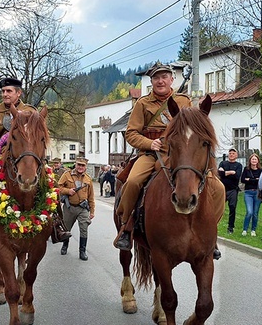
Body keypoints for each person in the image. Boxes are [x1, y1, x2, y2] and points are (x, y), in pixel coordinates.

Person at [0, 77, 70, 244]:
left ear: (18, 93)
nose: (5, 94)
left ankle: (57, 223)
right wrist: (2, 150)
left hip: (27, 156)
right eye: (3, 91)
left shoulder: (31, 112)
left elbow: (37, 136)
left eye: (9, 91)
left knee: (50, 183)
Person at [114, 62, 191, 250]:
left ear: (172, 79)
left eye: (164, 77)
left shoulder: (183, 101)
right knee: (132, 182)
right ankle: (126, 226)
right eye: (156, 78)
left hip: (178, 154)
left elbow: (192, 128)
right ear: (151, 81)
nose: (160, 81)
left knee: (211, 181)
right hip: (150, 154)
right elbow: (131, 133)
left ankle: (209, 231)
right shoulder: (142, 103)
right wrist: (150, 143)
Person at [58, 157, 95, 260]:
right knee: (66, 228)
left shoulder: (88, 179)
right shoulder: (67, 175)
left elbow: (91, 196)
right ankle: (65, 245)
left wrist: (92, 211)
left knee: (84, 229)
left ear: (85, 167)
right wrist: (67, 191)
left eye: (83, 165)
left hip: (83, 208)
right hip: (69, 207)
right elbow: (58, 187)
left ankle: (82, 251)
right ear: (75, 164)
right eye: (79, 165)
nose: (80, 167)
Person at [218, 148, 243, 234]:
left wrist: (225, 173)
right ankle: (215, 224)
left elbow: (237, 176)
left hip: (233, 190)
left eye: (233, 153)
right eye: (230, 153)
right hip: (222, 189)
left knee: (232, 208)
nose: (231, 154)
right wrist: (231, 172)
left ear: (236, 155)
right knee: (218, 207)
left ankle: (230, 227)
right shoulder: (223, 163)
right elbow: (219, 174)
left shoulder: (239, 165)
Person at [241, 153, 262, 236]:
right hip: (248, 192)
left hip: (257, 193)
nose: (254, 161)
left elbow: (261, 181)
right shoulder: (246, 169)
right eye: (252, 159)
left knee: (255, 213)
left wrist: (249, 179)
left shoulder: (261, 170)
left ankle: (253, 230)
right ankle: (245, 229)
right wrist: (254, 179)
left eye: (255, 159)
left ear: (258, 161)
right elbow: (243, 180)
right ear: (250, 160)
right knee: (249, 212)